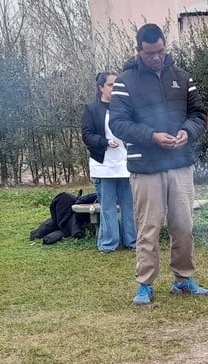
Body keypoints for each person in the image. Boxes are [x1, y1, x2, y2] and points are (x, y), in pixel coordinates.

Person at [109, 24, 208, 305]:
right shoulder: (125, 82)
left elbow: (199, 114)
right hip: (145, 167)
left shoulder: (182, 77)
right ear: (139, 51)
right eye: (151, 53)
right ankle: (145, 284)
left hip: (180, 163)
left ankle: (183, 279)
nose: (157, 58)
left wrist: (187, 132)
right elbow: (117, 123)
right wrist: (151, 137)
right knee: (149, 227)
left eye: (161, 51)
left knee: (184, 225)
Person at [81, 71, 137, 253]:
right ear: (101, 88)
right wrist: (105, 142)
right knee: (108, 207)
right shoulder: (91, 109)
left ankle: (132, 241)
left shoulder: (126, 108)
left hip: (125, 165)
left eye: (116, 84)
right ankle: (108, 244)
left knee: (129, 205)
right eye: (111, 85)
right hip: (103, 166)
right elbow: (87, 135)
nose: (114, 88)